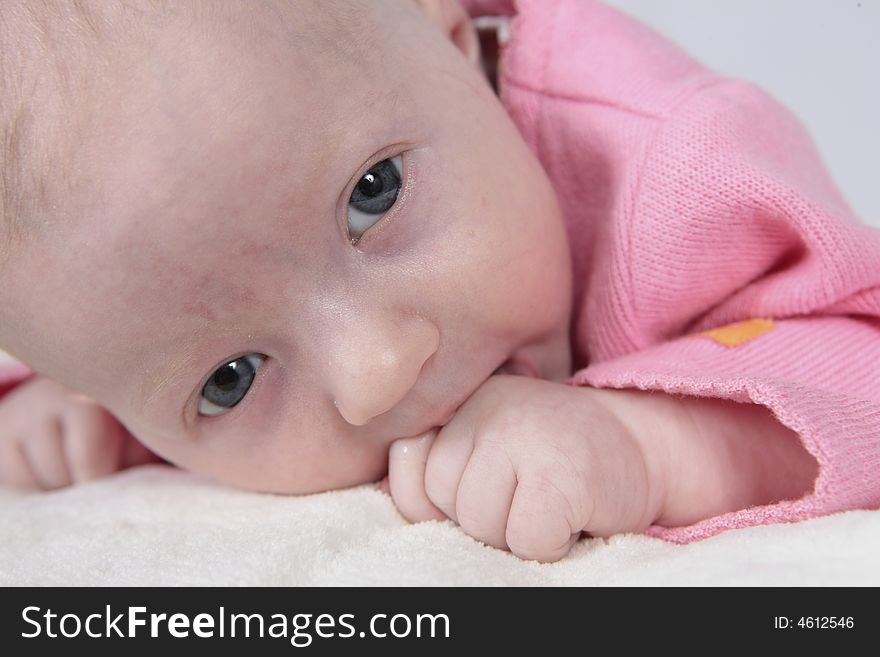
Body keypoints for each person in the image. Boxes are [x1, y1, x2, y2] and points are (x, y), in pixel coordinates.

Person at [1, 0, 878, 563]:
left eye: (372, 196)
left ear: (456, 45)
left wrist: (645, 443)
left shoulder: (685, 168)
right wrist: (51, 404)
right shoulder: (123, 295)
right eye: (230, 379)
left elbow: (861, 361)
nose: (375, 370)